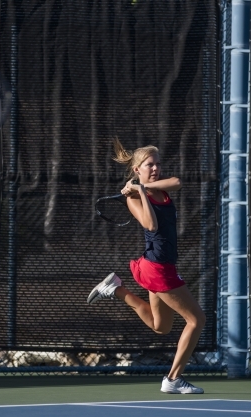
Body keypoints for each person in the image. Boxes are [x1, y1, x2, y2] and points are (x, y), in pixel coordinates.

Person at [87, 138, 206, 394]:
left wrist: (142, 186)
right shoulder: (133, 199)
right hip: (157, 268)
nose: (155, 168)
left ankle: (116, 289)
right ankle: (173, 379)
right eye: (149, 165)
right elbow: (150, 225)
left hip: (158, 265)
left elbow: (177, 182)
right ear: (136, 169)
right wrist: (138, 192)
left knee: (160, 326)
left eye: (157, 164)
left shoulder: (157, 188)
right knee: (196, 320)